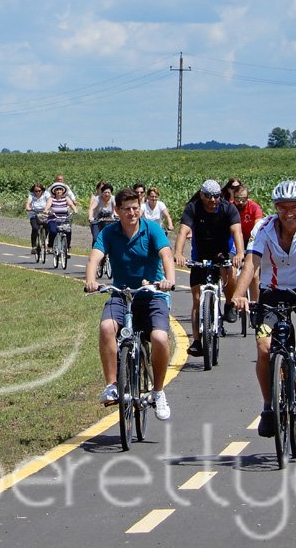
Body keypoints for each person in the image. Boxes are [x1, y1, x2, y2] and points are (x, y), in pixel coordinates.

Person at [230, 180, 296, 438]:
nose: (288, 213)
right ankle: (268, 407)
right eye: (282, 207)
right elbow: (251, 263)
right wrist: (238, 295)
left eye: (294, 207)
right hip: (271, 292)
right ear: (276, 208)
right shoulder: (263, 228)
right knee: (264, 347)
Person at [85, 187, 176, 421]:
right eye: (126, 209)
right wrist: (91, 280)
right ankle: (111, 384)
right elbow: (95, 256)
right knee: (107, 327)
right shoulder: (109, 233)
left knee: (159, 338)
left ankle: (157, 391)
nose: (132, 213)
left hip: (152, 294)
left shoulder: (152, 229)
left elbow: (166, 254)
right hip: (122, 294)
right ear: (117, 210)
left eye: (135, 208)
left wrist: (169, 280)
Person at [173, 179, 245, 355]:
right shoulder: (193, 208)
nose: (213, 200)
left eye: (216, 196)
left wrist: (240, 253)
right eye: (208, 196)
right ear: (201, 195)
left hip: (222, 251)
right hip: (201, 255)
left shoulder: (228, 208)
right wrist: (179, 253)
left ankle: (229, 304)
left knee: (230, 270)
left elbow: (237, 231)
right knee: (197, 300)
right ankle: (197, 341)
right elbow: (183, 231)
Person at [231, 183, 264, 316]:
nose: (240, 202)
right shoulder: (230, 207)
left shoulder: (254, 207)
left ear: (248, 198)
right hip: (234, 239)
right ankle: (234, 300)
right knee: (232, 269)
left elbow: (258, 225)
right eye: (237, 199)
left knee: (254, 274)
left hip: (250, 239)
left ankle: (255, 304)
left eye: (243, 199)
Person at [43, 183, 77, 251]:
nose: (59, 191)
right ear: (54, 191)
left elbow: (71, 204)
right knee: (53, 231)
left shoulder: (66, 198)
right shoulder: (51, 198)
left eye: (60, 190)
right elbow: (48, 205)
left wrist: (75, 210)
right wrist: (46, 210)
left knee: (68, 231)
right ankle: (50, 245)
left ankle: (67, 248)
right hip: (53, 219)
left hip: (64, 219)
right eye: (57, 190)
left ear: (63, 191)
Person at [24, 183, 48, 255]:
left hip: (44, 214)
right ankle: (34, 246)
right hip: (34, 214)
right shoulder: (31, 195)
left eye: (39, 191)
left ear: (42, 190)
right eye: (35, 191)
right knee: (35, 228)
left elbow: (50, 200)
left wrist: (47, 209)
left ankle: (44, 239)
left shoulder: (46, 194)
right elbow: (28, 202)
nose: (37, 192)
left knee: (47, 226)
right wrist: (28, 207)